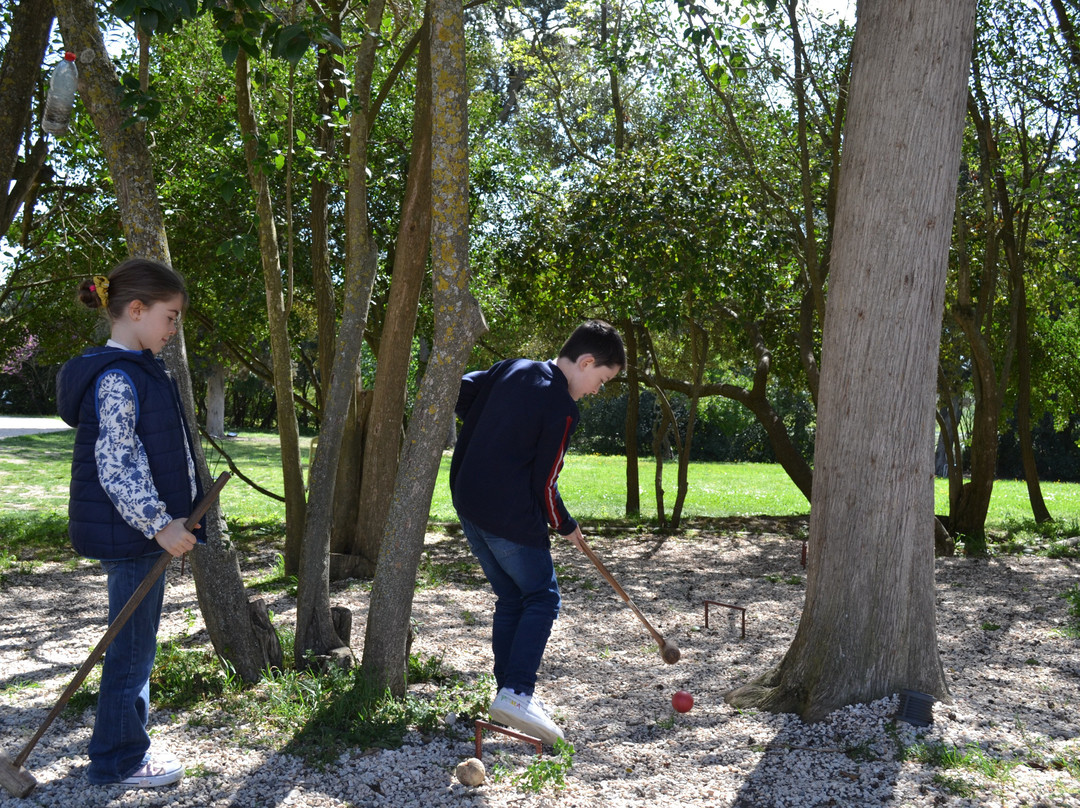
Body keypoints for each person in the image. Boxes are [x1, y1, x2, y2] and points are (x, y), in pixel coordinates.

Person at [56, 258, 204, 788]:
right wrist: (160, 523)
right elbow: (117, 464)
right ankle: (118, 759)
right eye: (170, 316)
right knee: (132, 650)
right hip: (135, 534)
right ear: (136, 311)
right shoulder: (118, 376)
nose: (173, 328)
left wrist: (177, 511)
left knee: (136, 646)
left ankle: (124, 747)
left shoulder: (139, 368)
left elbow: (159, 451)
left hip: (143, 531)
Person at [450, 319, 626, 745]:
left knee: (512, 597)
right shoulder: (563, 407)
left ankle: (506, 694)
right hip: (510, 517)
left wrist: (495, 428)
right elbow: (545, 482)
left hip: (468, 506)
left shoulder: (511, 367)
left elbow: (458, 391)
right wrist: (566, 525)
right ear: (586, 362)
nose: (598, 390)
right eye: (601, 379)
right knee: (542, 597)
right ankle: (517, 693)